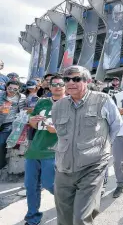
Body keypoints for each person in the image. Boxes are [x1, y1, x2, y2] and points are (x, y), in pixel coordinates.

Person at [51, 65, 123, 225]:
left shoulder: (103, 100)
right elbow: (60, 134)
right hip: (63, 168)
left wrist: (102, 147)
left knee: (82, 218)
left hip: (92, 166)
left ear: (87, 81)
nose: (70, 82)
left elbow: (116, 125)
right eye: (67, 79)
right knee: (64, 219)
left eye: (76, 79)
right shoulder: (58, 106)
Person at [24, 75, 66, 225]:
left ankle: (73, 203)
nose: (57, 86)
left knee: (50, 184)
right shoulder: (41, 102)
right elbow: (34, 125)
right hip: (35, 149)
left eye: (61, 83)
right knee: (30, 186)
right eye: (54, 84)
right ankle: (32, 218)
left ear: (65, 85)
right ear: (49, 86)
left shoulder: (70, 104)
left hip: (54, 151)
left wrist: (58, 130)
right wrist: (31, 121)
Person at [0, 80, 26, 169]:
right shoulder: (1, 95)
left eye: (15, 89)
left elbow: (23, 111)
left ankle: (1, 164)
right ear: (6, 87)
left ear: (18, 90)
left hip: (10, 123)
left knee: (1, 142)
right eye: (9, 88)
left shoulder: (22, 97)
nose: (11, 90)